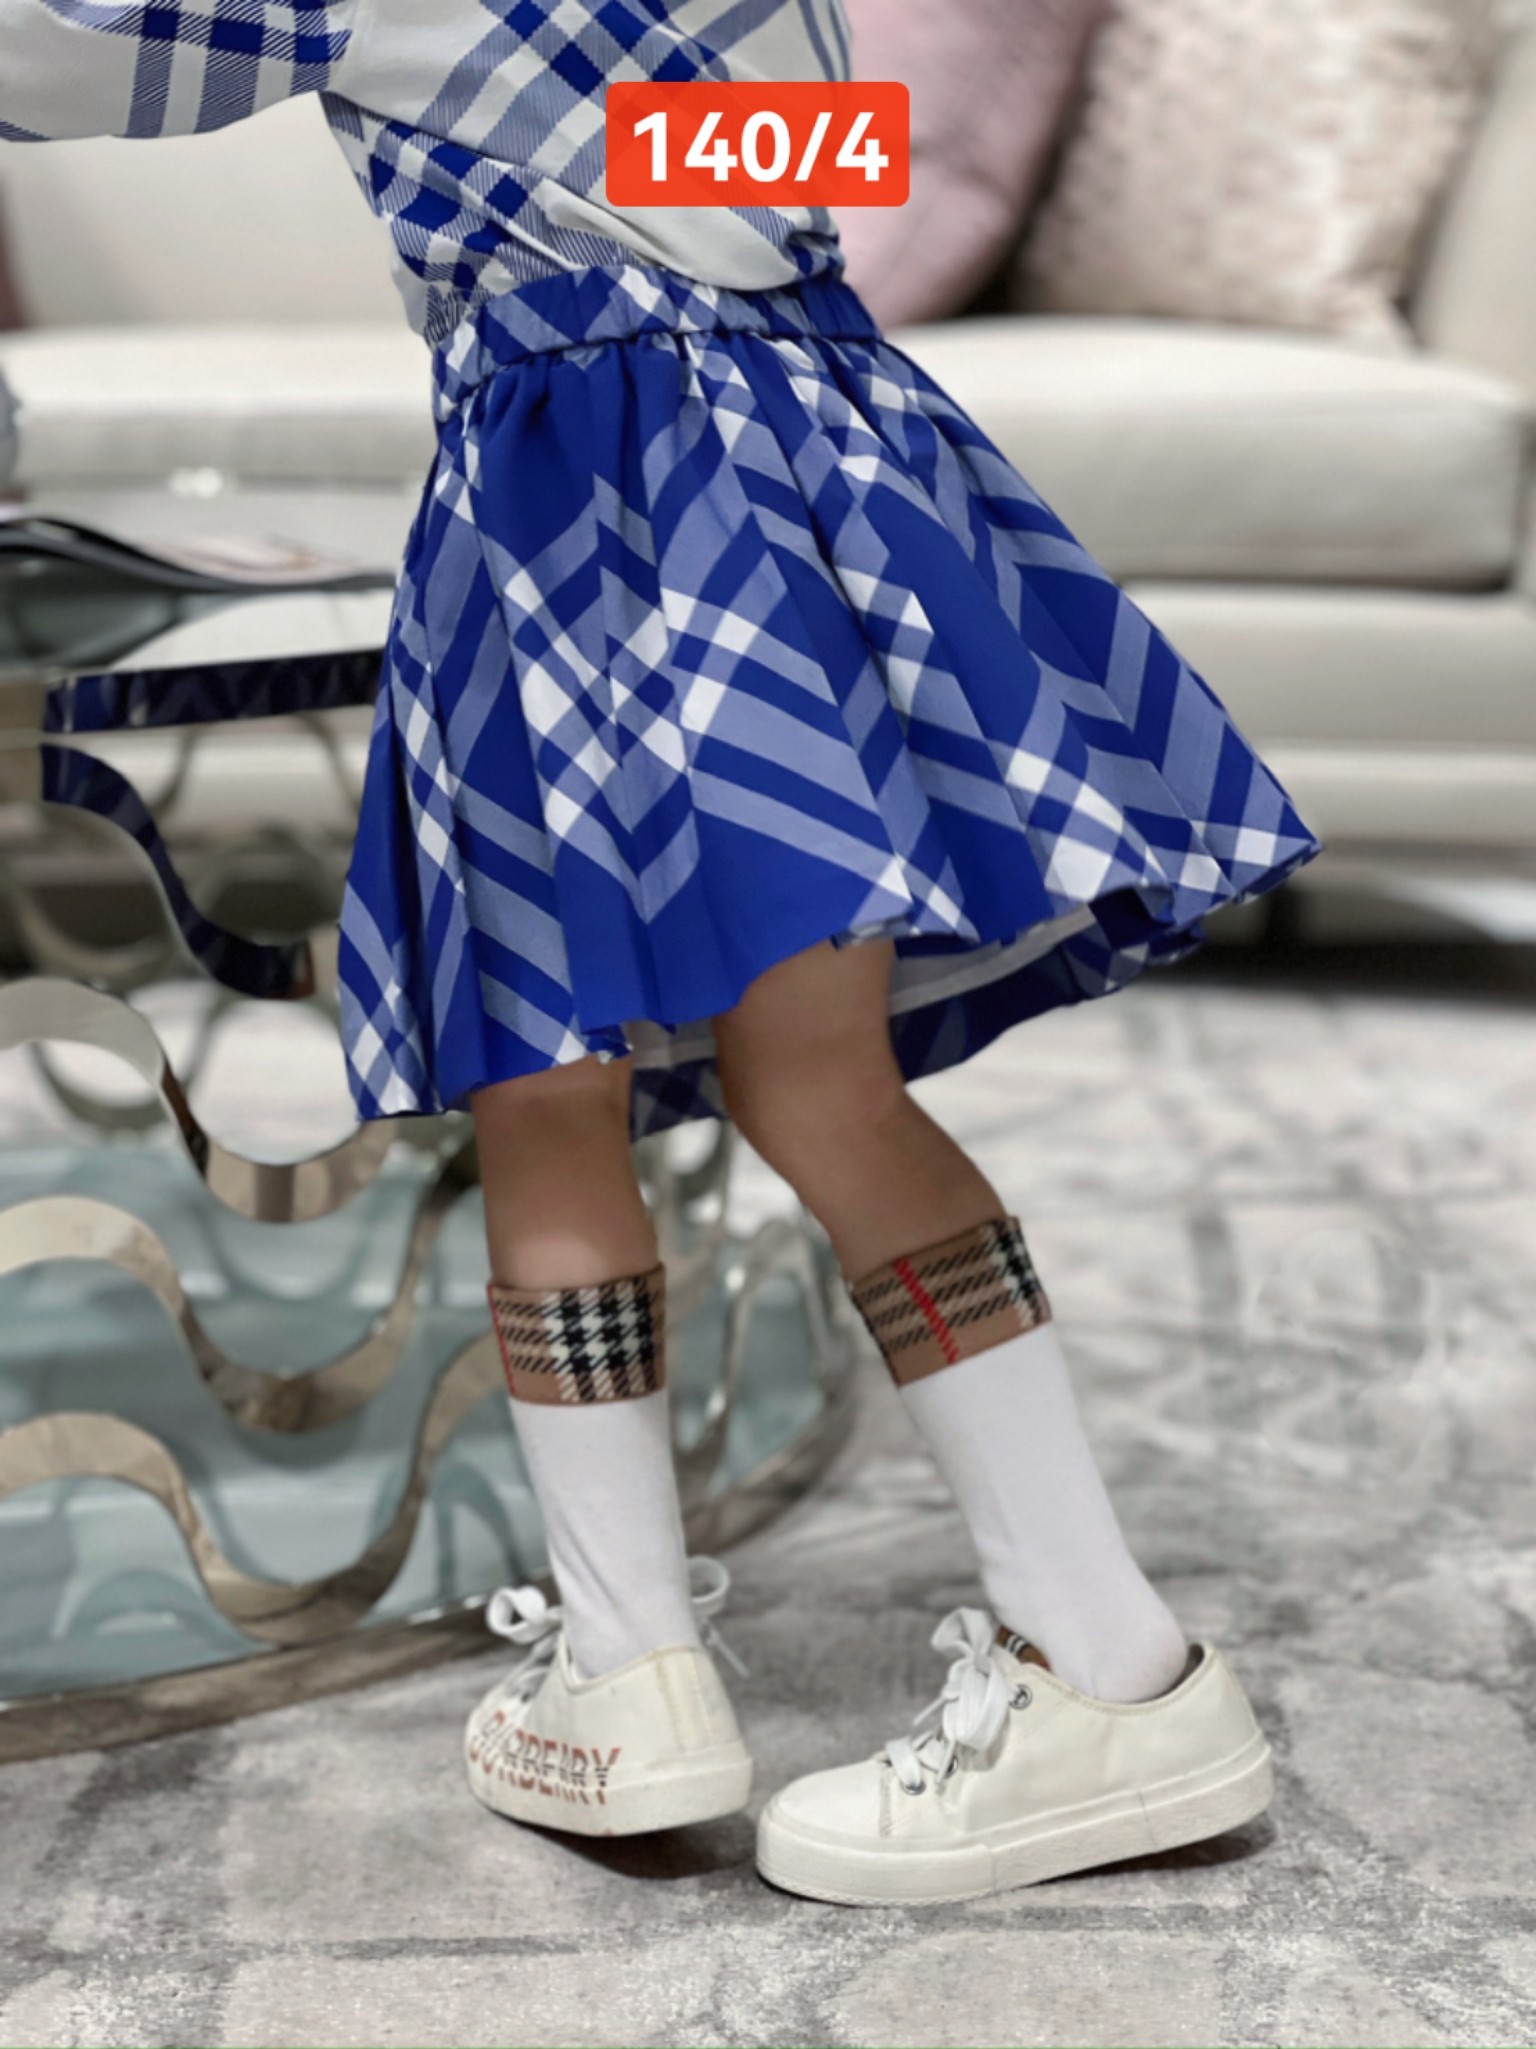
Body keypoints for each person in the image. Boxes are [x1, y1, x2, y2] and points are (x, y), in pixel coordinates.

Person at [2, 0, 1319, 1905]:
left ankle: (640, 1675)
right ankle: (1099, 1655)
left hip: (569, 489)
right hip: (812, 453)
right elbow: (816, 161)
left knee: (543, 1083)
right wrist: (598, 176)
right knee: (823, 1086)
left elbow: (58, 62)